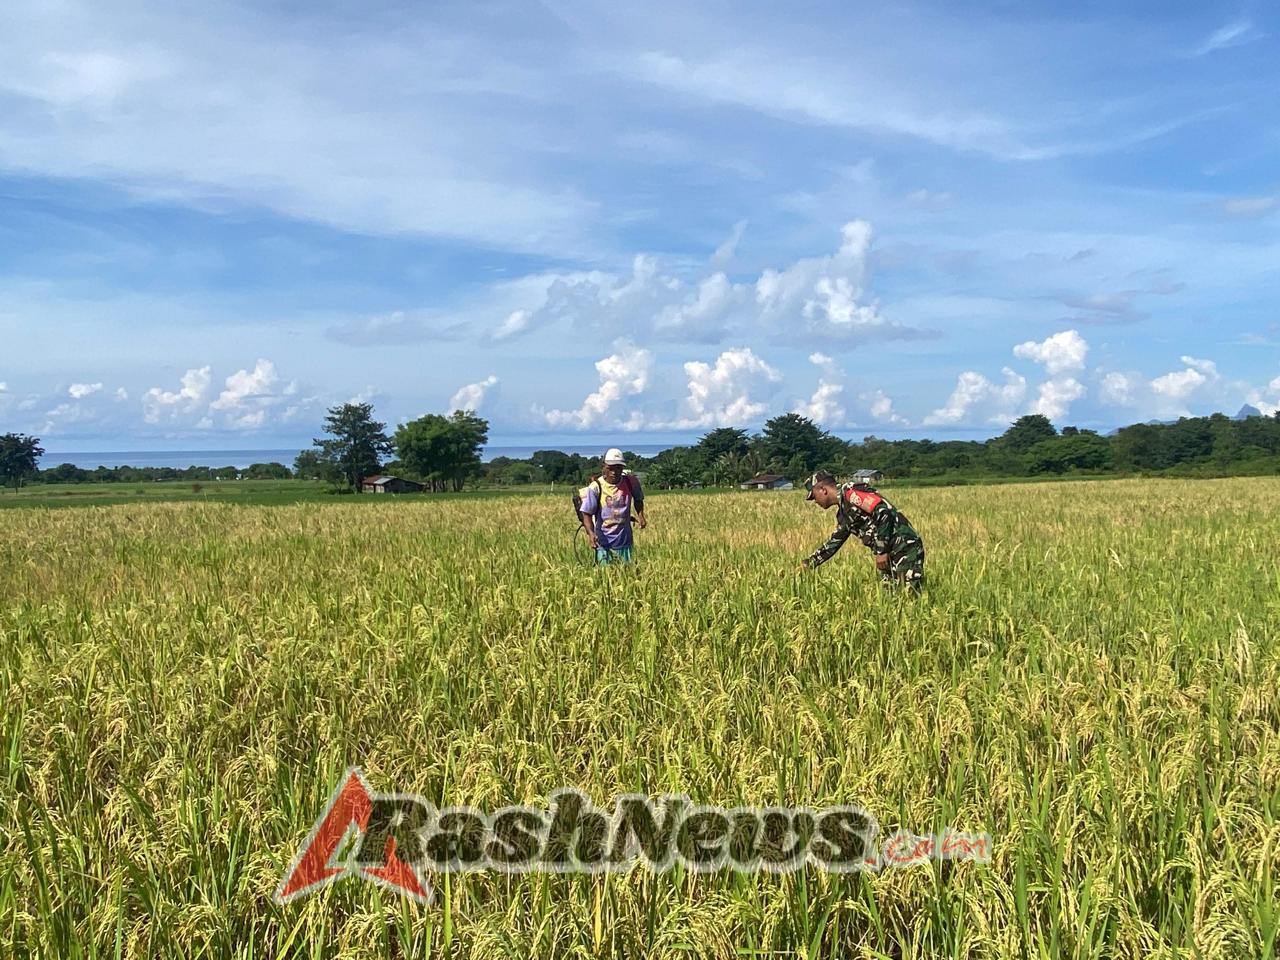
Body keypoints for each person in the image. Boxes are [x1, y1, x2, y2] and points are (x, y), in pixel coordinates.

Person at [801, 470, 924, 591]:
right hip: (888, 553)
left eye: (814, 496)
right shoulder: (844, 513)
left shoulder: (850, 493)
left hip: (903, 546)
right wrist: (810, 563)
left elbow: (882, 511)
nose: (815, 501)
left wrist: (881, 551)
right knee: (891, 596)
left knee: (909, 594)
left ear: (823, 490)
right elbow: (834, 543)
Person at [579, 448, 647, 564]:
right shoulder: (596, 487)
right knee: (606, 576)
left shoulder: (631, 482)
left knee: (626, 574)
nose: (614, 472)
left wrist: (641, 516)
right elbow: (587, 513)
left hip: (625, 540)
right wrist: (591, 533)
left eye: (618, 468)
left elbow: (638, 499)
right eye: (610, 468)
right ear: (603, 467)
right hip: (603, 542)